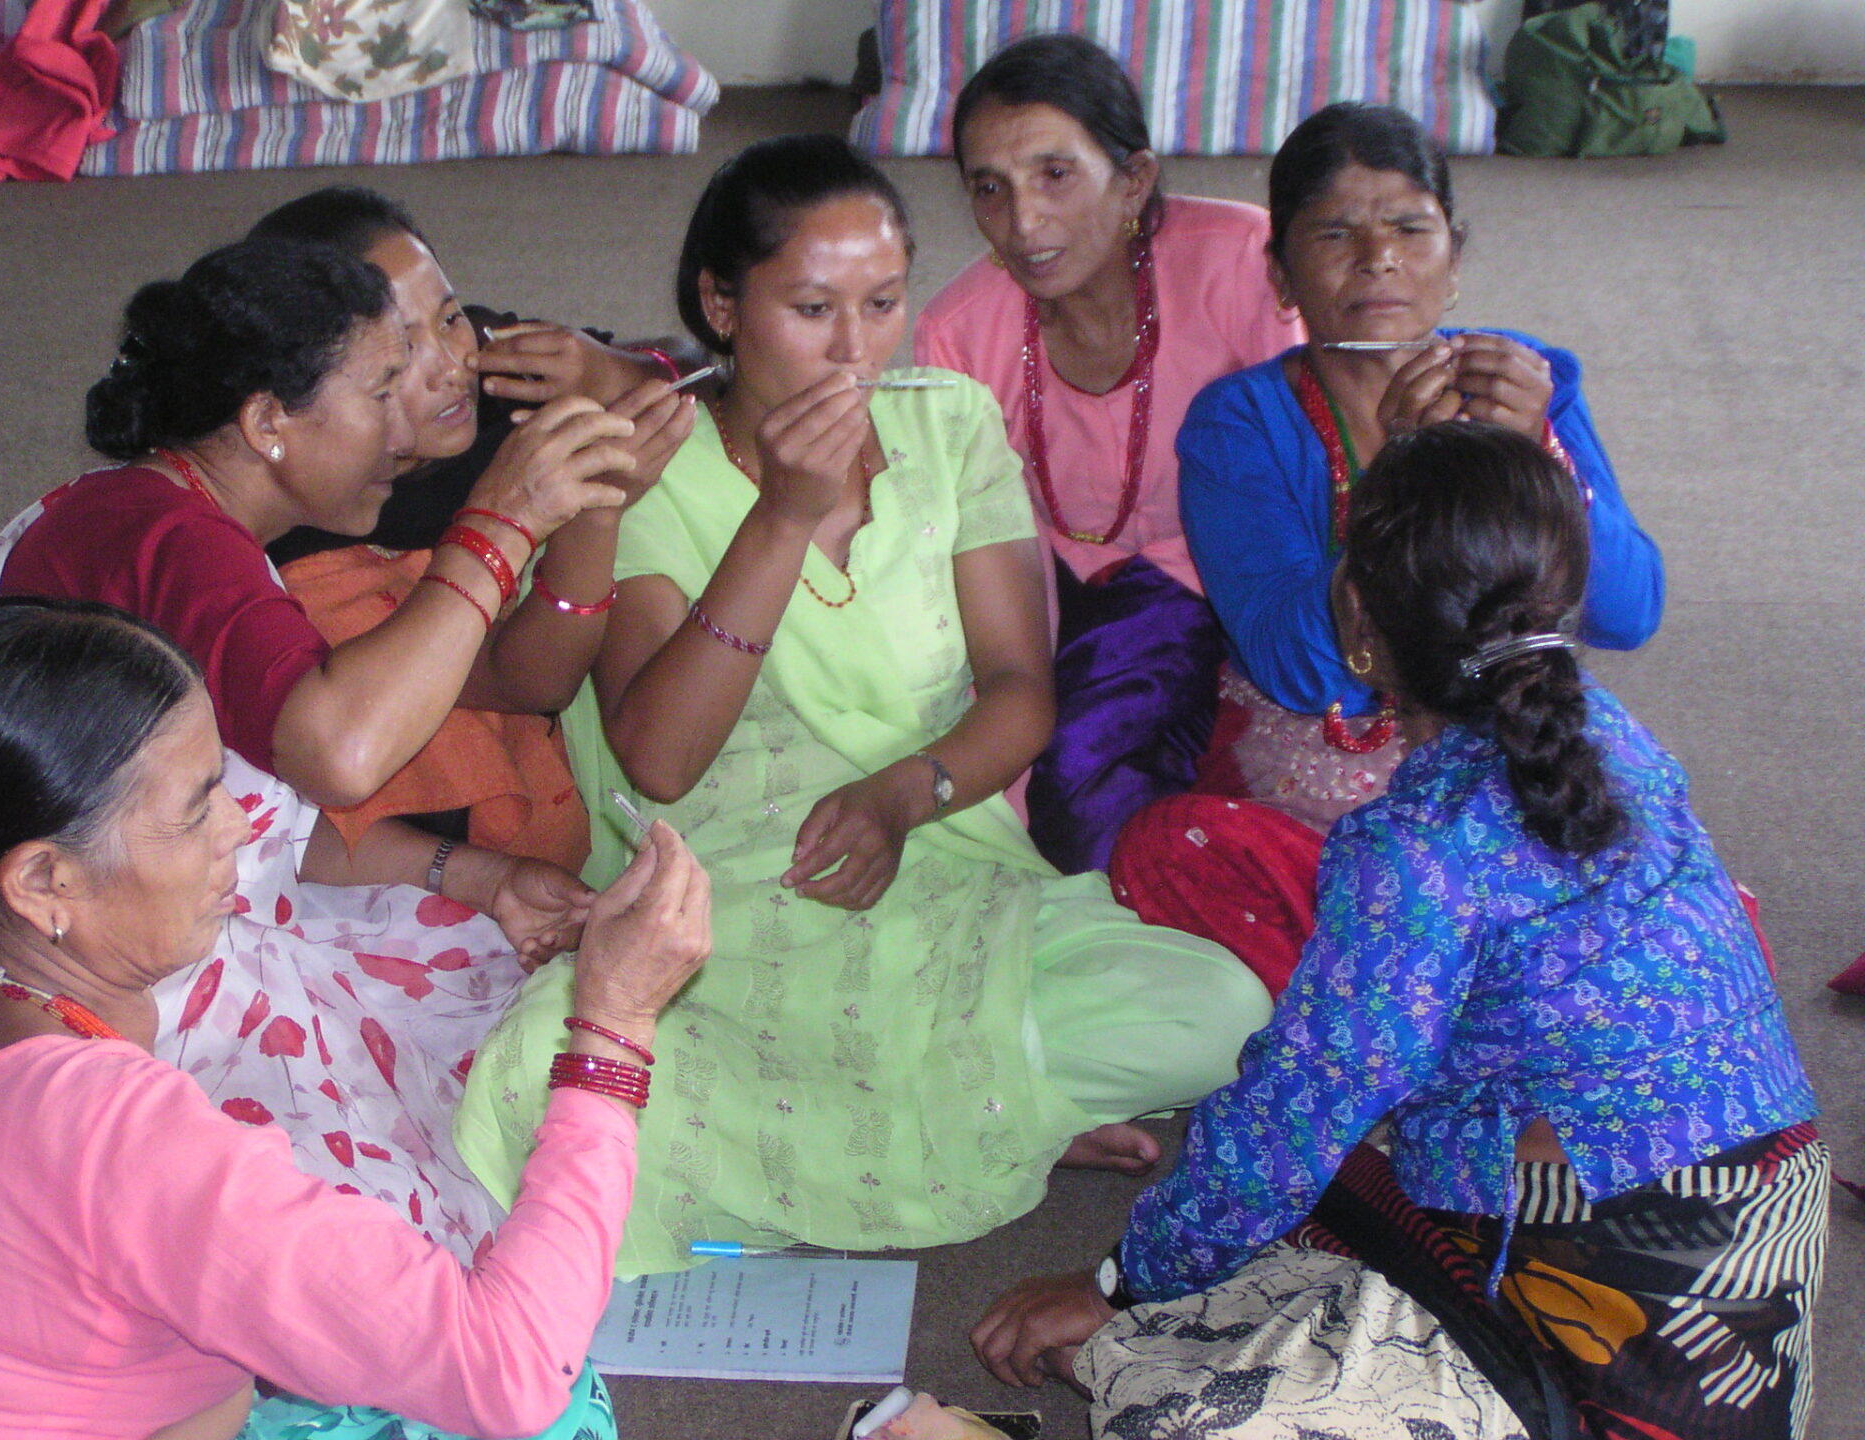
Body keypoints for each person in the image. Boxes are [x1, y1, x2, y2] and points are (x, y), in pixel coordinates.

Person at [454, 135, 1274, 1276]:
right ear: (721, 305)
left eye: (883, 302)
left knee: (1223, 1010)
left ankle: (978, 1094)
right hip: (730, 886)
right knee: (532, 1100)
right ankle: (997, 1104)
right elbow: (658, 761)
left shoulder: (948, 424)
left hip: (936, 855)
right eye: (812, 307)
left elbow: (1018, 689)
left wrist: (906, 795)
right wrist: (780, 520)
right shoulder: (652, 459)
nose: (856, 349)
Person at [970, 425, 1823, 1440]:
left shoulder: (1418, 849)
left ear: (1361, 630)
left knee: (1196, 1381)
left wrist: (1119, 1285)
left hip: (1618, 1328)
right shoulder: (1610, 737)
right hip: (1766, 1252)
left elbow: (1300, 1106)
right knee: (1320, 1176)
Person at [0, 236, 639, 1253]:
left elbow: (249, 827)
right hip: (74, 981)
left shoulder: (181, 525)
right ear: (268, 421)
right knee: (409, 1227)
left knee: (487, 982)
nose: (407, 429)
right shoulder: (165, 537)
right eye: (380, 392)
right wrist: (501, 525)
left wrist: (476, 872)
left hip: (132, 916)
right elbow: (339, 756)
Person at [0, 596, 711, 1440]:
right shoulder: (114, 1140)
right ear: (45, 881)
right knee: (562, 1405)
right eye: (198, 807)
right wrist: (613, 1026)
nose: (240, 825)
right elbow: (511, 1371)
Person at [1108, 101, 1664, 997]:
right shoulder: (1239, 424)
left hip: (1516, 768)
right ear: (1283, 277)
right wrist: (1396, 482)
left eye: (1410, 227)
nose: (1379, 259)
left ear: (1453, 262)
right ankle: (1483, 1028)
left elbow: (1628, 613)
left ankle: (1409, 1031)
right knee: (1170, 851)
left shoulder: (1527, 384)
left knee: (1682, 877)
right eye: (1335, 234)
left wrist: (1539, 456)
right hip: (1318, 791)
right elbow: (1292, 664)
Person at [916, 34, 1302, 874]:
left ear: (1133, 179)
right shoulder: (957, 330)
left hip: (1220, 568)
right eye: (991, 188)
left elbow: (1308, 461)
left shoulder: (1242, 263)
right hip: (1038, 577)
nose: (1023, 223)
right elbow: (966, 536)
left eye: (1056, 175)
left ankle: (1167, 899)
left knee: (1078, 761)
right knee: (986, 765)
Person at [255, 187, 701, 873]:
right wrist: (593, 512)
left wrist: (608, 367)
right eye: (400, 350)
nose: (451, 366)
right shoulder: (311, 536)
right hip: (451, 879)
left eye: (451, 317)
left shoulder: (494, 376)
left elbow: (704, 363)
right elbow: (530, 681)